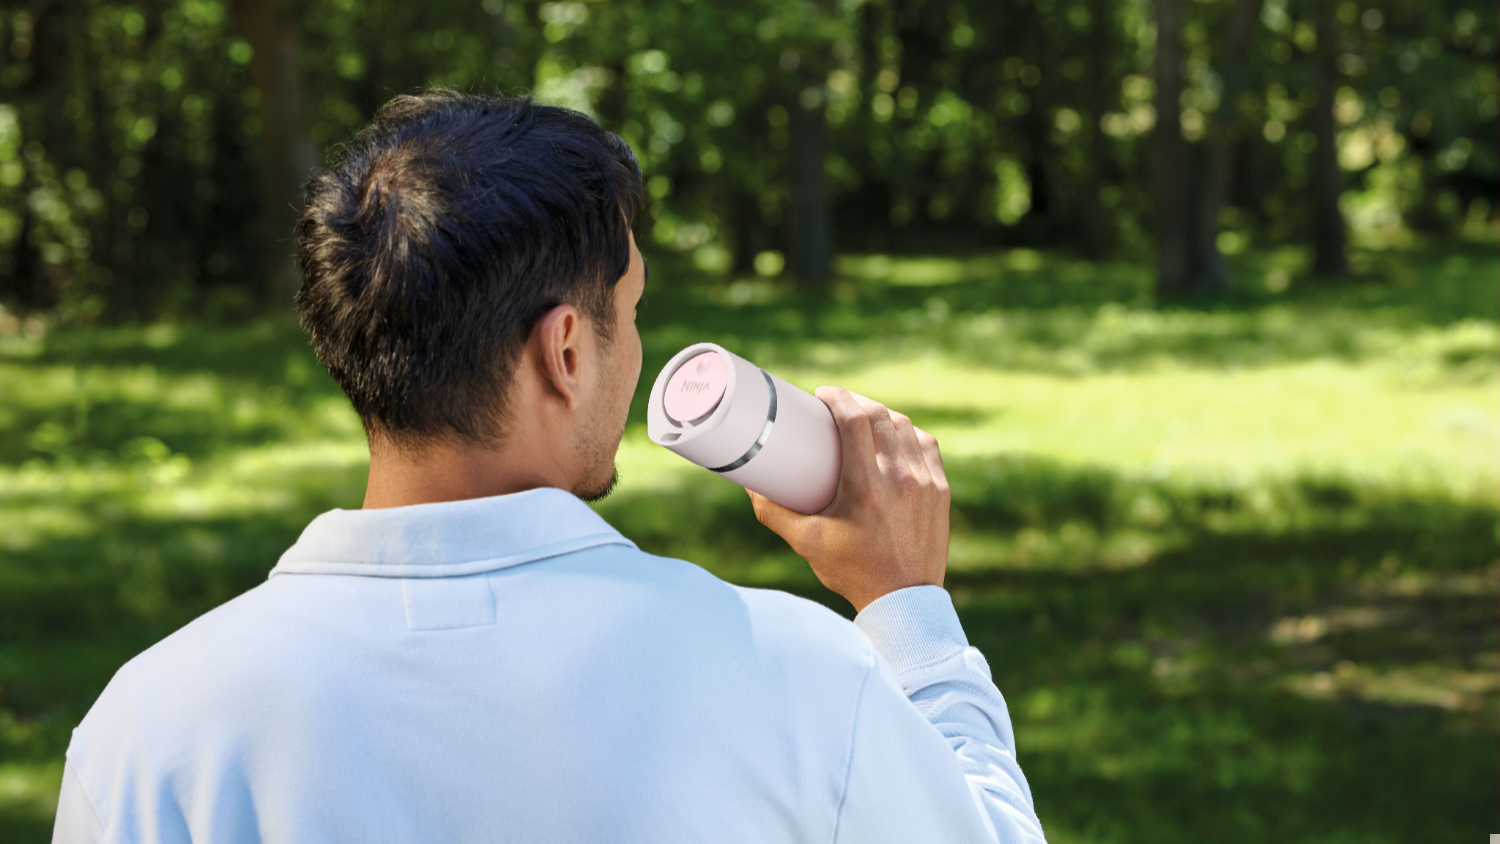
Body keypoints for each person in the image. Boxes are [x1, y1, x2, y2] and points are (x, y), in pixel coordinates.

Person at [52, 91, 1046, 844]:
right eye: (634, 308)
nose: (639, 349)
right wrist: (908, 609)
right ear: (566, 350)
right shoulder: (795, 677)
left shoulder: (150, 725)